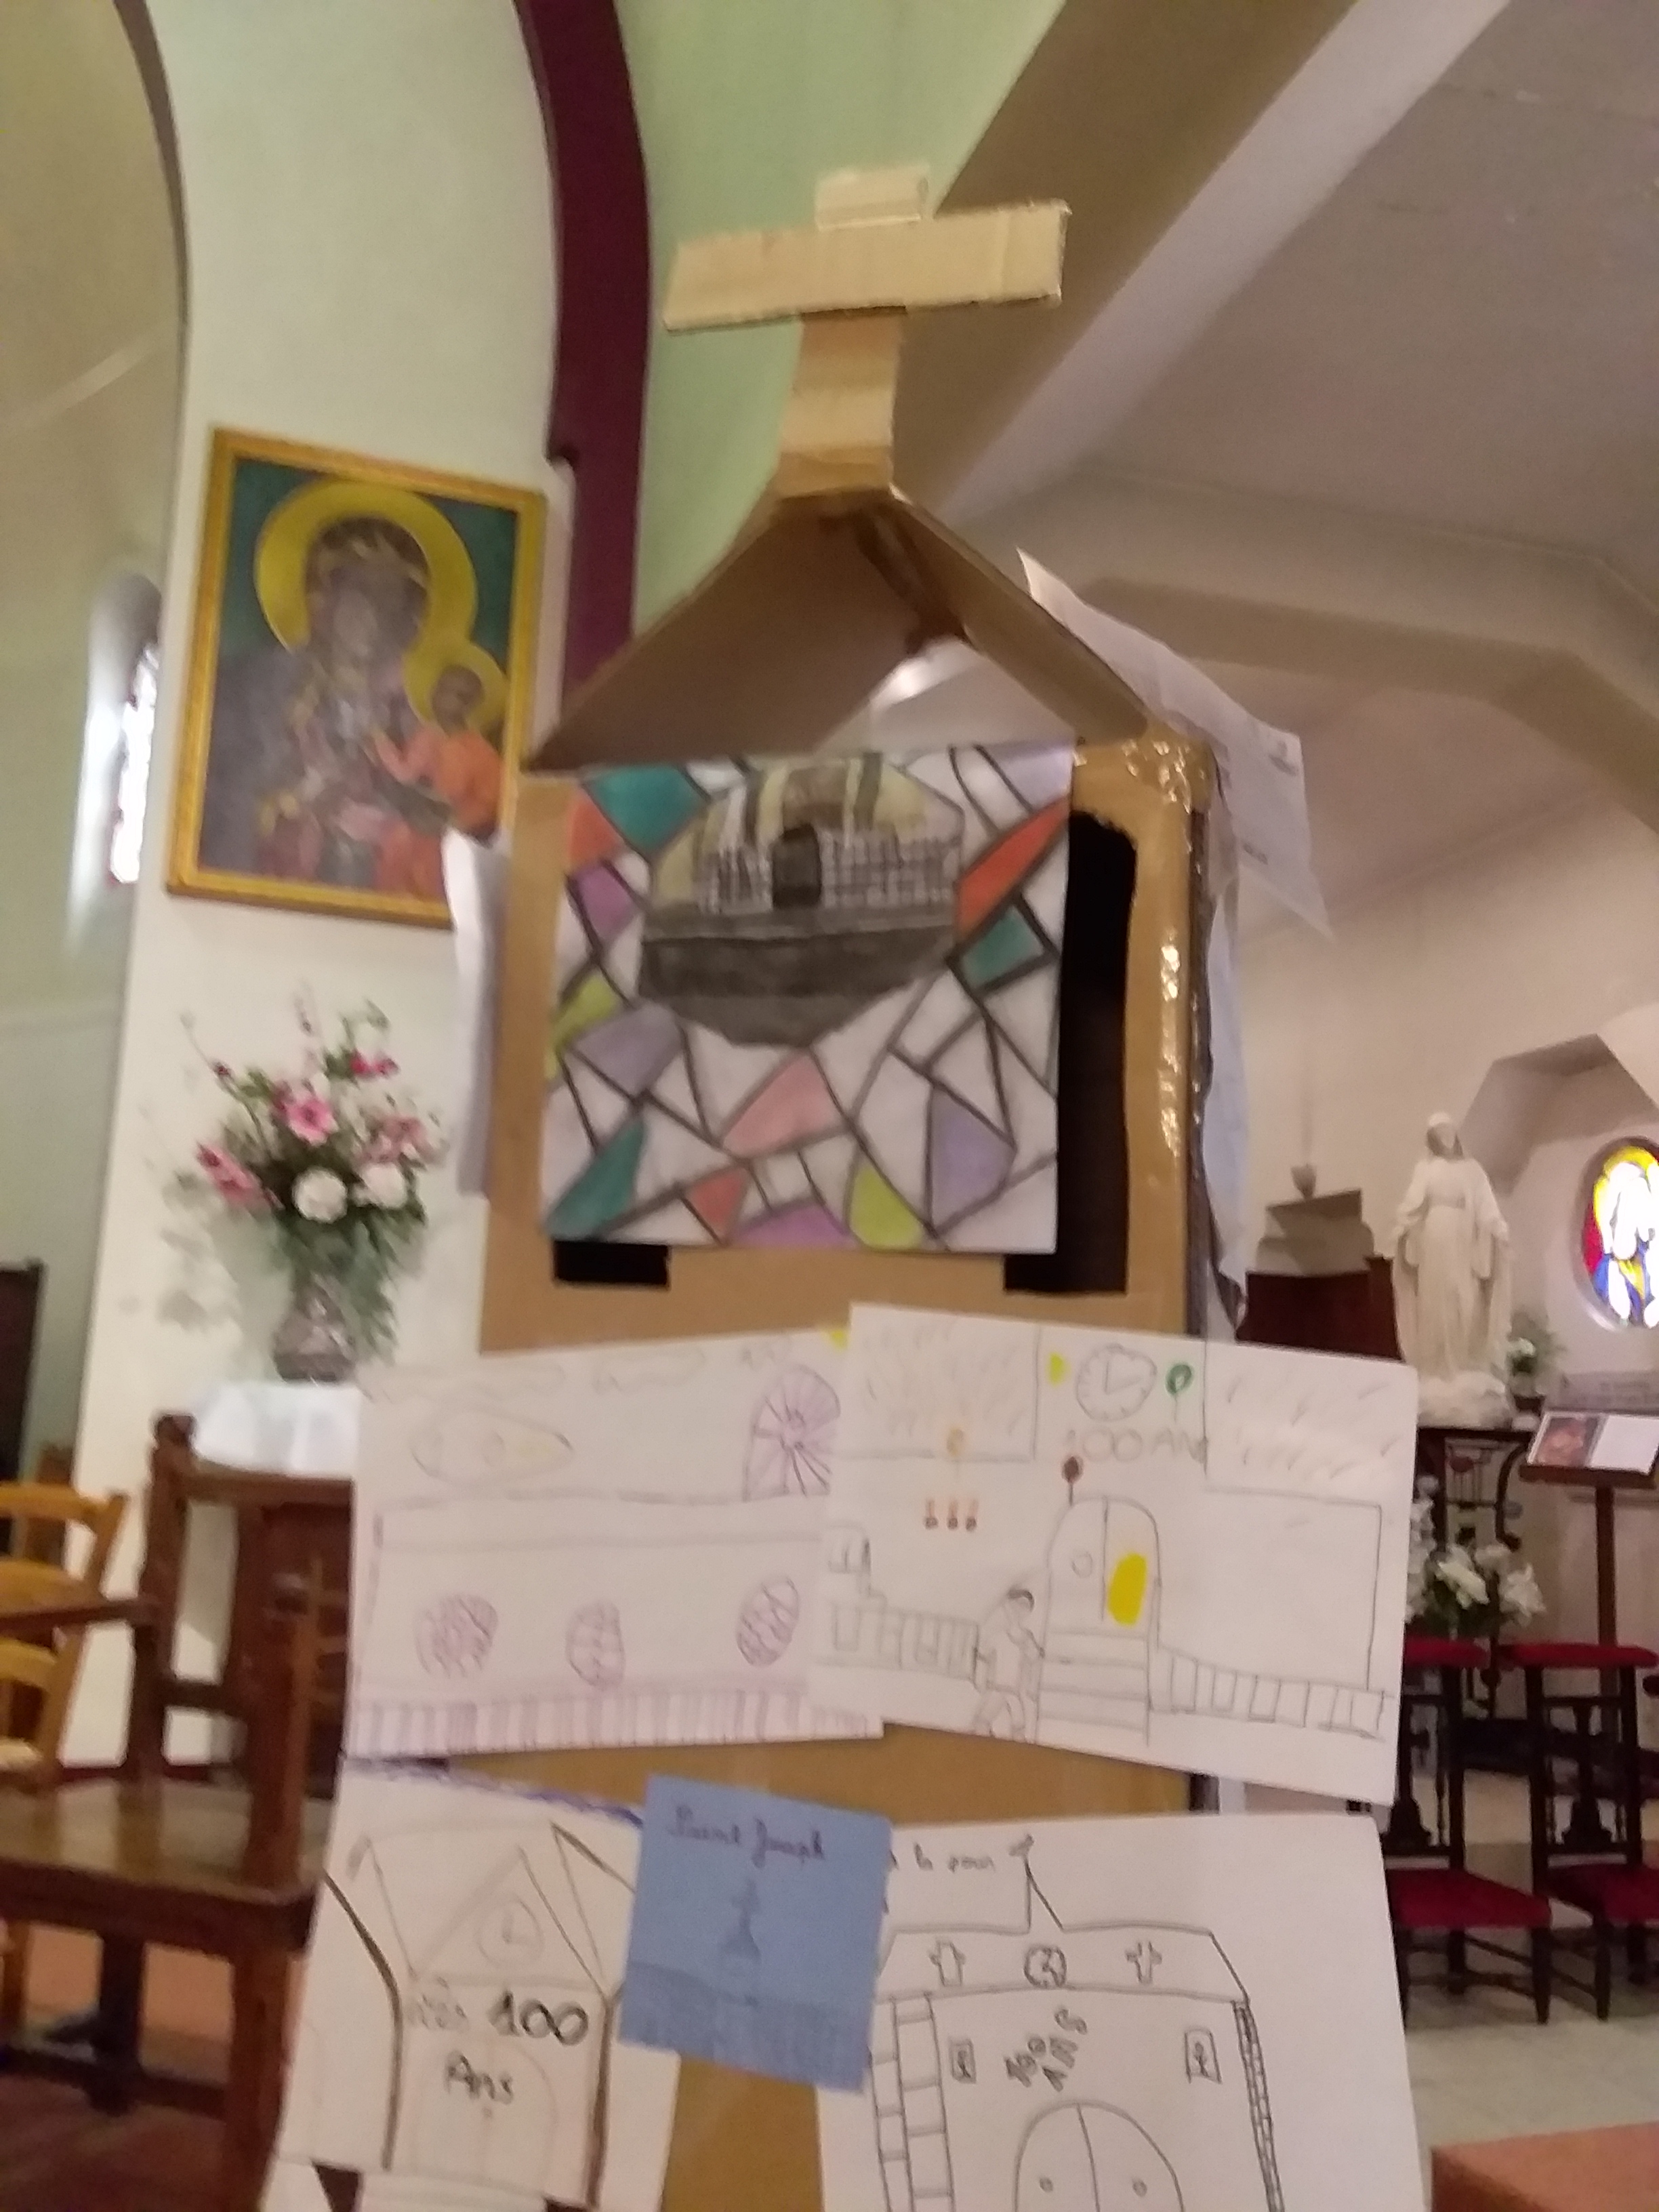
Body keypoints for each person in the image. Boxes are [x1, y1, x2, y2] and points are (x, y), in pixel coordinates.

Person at [203, 513, 430, 886]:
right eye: (359, 594)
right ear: (322, 599)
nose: (373, 616)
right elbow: (226, 800)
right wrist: (298, 803)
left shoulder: (412, 708)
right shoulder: (258, 689)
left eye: (389, 600)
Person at [1391, 1112, 1513, 1421]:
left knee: (1465, 1299)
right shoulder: (1425, 1169)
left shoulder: (1472, 1170)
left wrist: (1498, 1228)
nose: (1444, 1139)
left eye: (1448, 1132)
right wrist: (1402, 1228)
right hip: (1434, 1239)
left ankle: (1464, 1362)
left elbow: (1486, 1206)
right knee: (1436, 1301)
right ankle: (1438, 1369)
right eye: (1438, 1134)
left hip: (1464, 1240)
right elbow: (1412, 1205)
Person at [371, 660, 505, 901]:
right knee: (397, 845)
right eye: (441, 688)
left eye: (454, 693)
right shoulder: (428, 735)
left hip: (452, 838)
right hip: (416, 827)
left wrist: (452, 821)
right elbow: (406, 772)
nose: (441, 697)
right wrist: (380, 741)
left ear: (469, 703)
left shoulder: (481, 752)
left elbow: (489, 802)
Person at [972, 1586, 1042, 1740]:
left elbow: (1036, 1660)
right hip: (997, 1689)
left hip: (1013, 1692)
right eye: (1016, 1605)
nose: (1019, 1610)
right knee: (981, 1724)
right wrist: (979, 1678)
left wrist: (1033, 1686)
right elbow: (983, 1655)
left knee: (1018, 1729)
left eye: (1024, 1607)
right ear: (1008, 1607)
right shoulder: (998, 1636)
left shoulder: (1026, 1638)